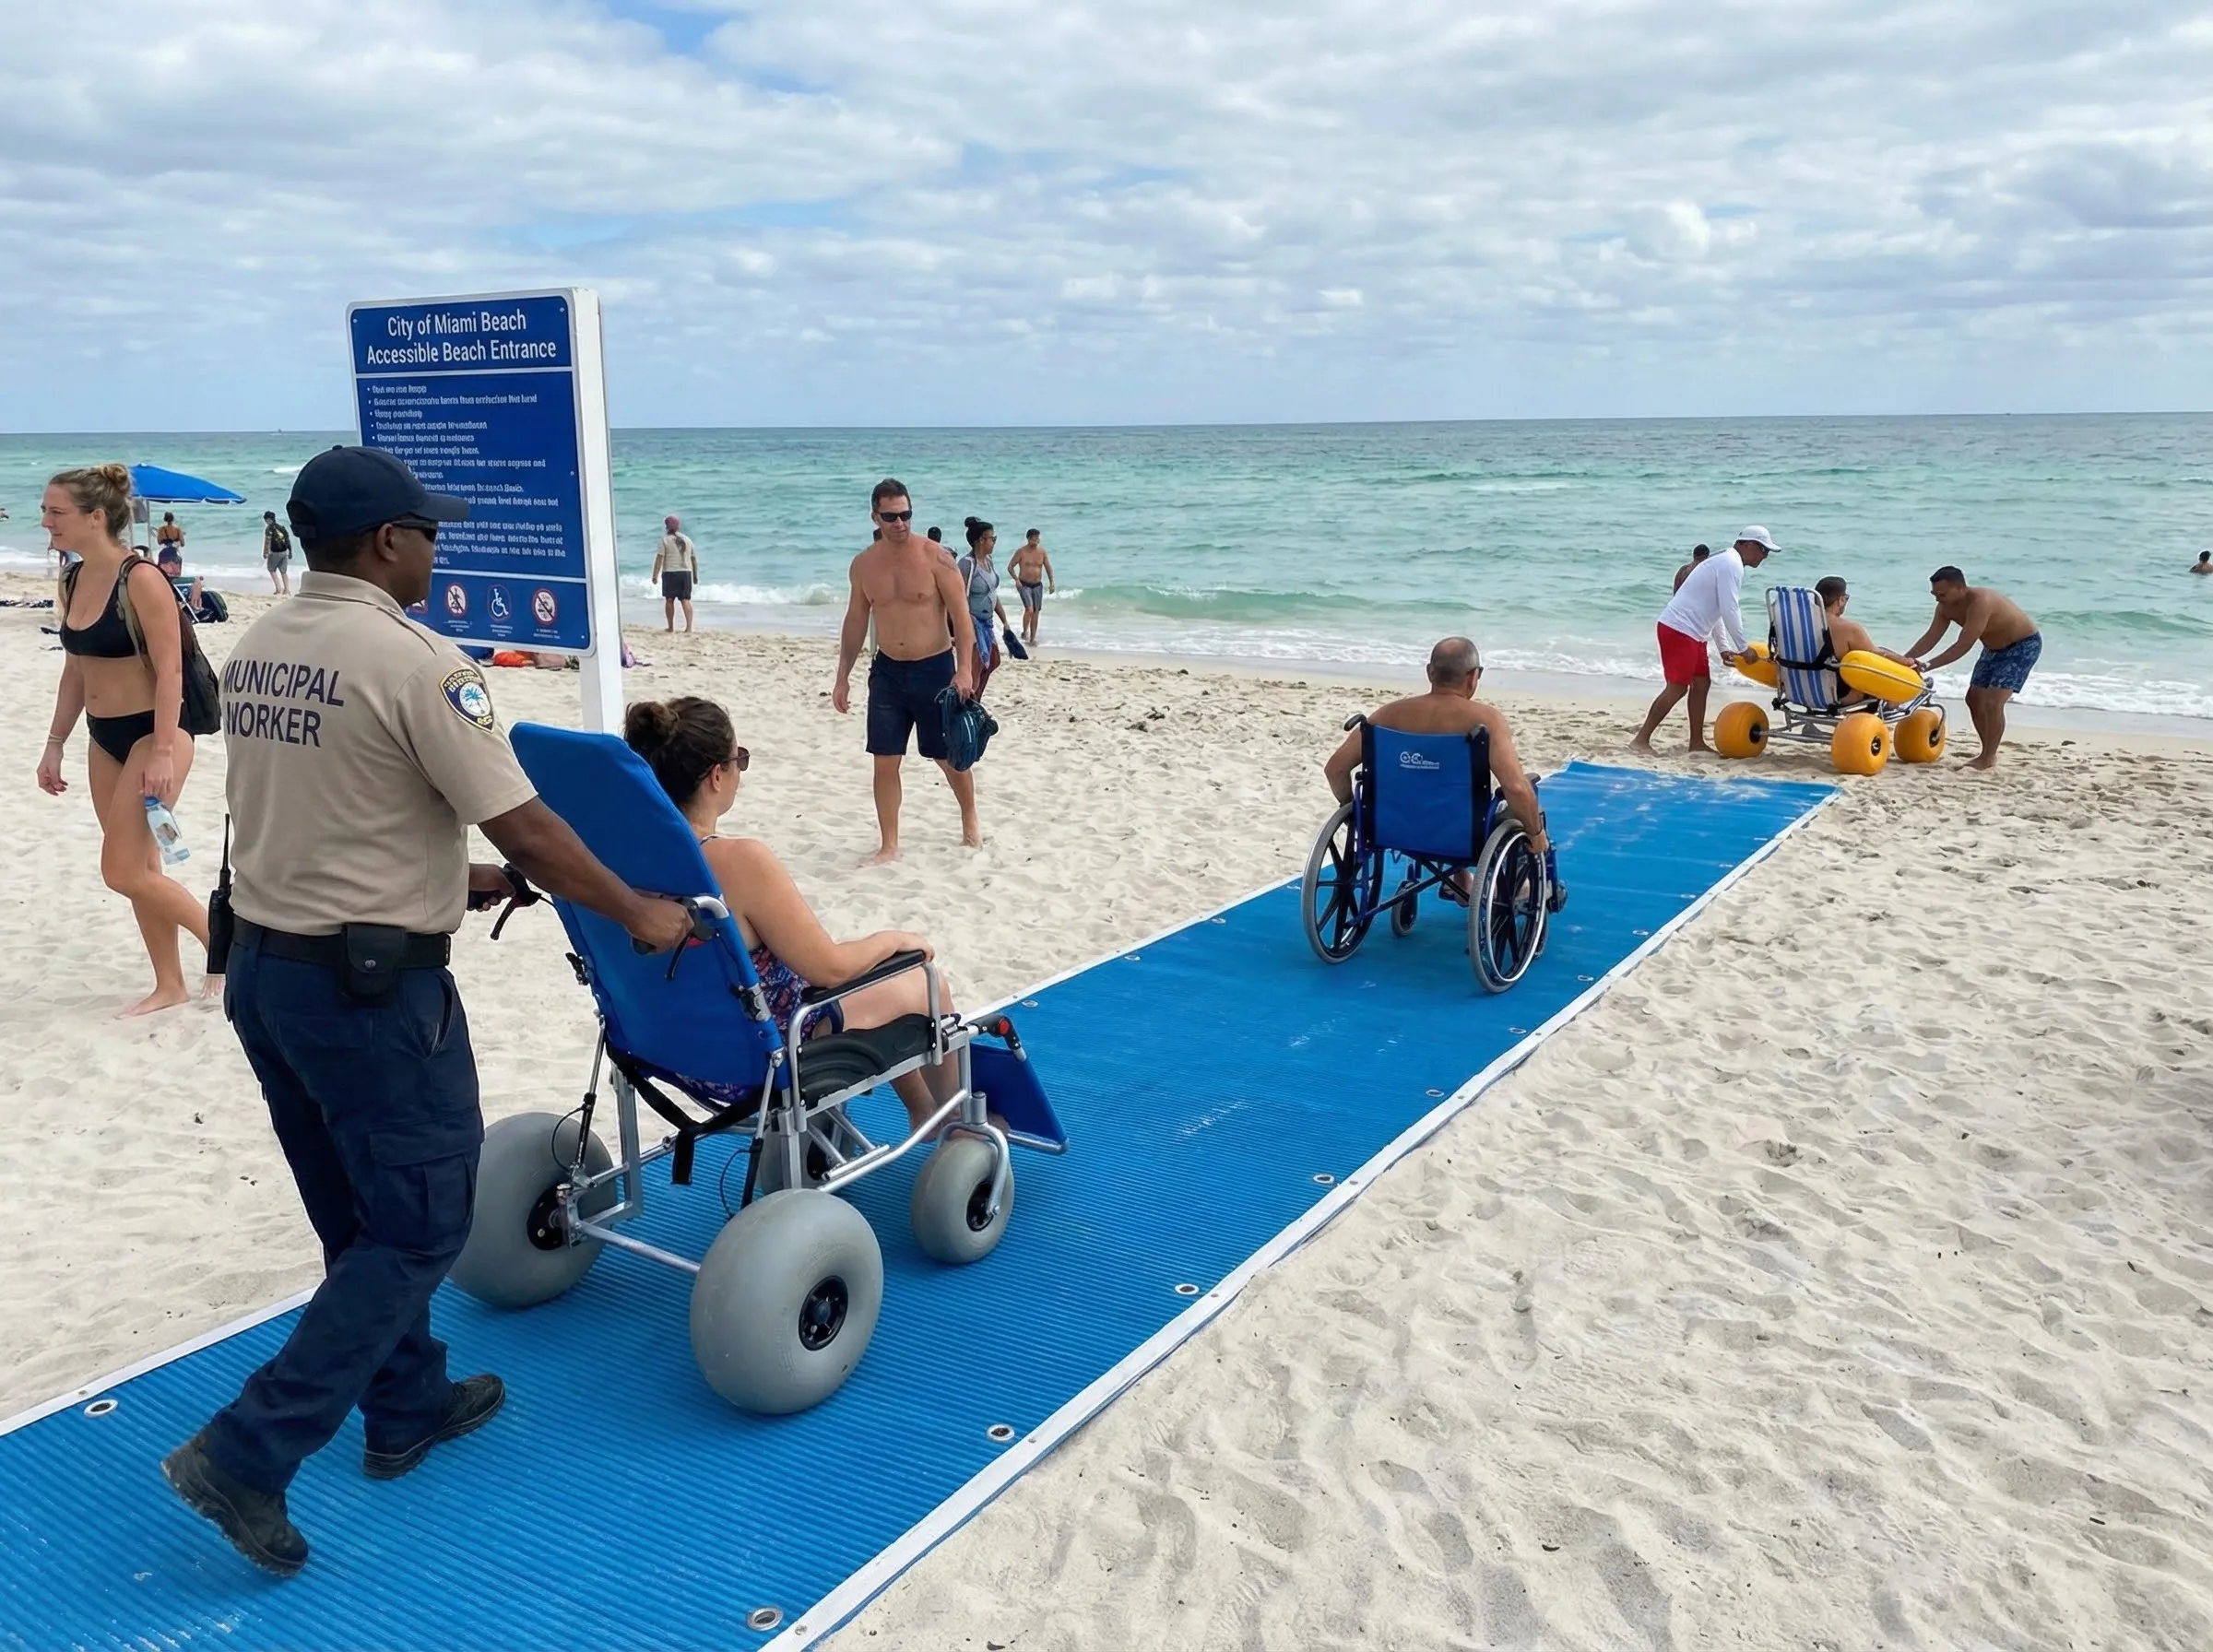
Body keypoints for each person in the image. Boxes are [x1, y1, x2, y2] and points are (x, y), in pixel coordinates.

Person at [156, 446, 692, 1580]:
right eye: (427, 533)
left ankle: (407, 1404)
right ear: (387, 542)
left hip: (263, 967)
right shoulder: (417, 661)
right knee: (416, 1227)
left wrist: (466, 886)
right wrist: (637, 910)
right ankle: (249, 1452)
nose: (438, 552)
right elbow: (527, 822)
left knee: (356, 1216)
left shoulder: (265, 643)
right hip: (372, 996)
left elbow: (324, 815)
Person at [625, 695, 962, 1132]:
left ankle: (921, 1110)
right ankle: (952, 1118)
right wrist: (895, 940)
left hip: (668, 1048)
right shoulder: (738, 861)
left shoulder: (620, 862)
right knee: (924, 979)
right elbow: (831, 969)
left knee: (869, 975)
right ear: (716, 776)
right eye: (739, 760)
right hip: (762, 1059)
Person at [36, 464, 212, 1017]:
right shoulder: (71, 578)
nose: (46, 522)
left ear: (95, 517)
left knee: (121, 870)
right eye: (45, 511)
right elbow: (76, 670)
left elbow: (170, 672)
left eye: (56, 513)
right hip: (101, 737)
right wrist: (54, 741)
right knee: (142, 870)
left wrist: (162, 750)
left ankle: (229, 944)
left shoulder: (141, 578)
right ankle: (169, 984)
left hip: (154, 734)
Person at [1321, 637, 1557, 903]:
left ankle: (1459, 880)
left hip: (1392, 826)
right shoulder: (1485, 721)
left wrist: (1355, 812)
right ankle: (1524, 887)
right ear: (1473, 677)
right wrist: (1537, 835)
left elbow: (1335, 770)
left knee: (1434, 794)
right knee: (1526, 795)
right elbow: (1515, 788)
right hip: (1464, 832)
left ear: (1430, 672)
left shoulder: (1385, 717)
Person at [832, 478, 979, 862]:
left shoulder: (937, 558)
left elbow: (962, 620)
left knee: (948, 756)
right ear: (875, 517)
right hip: (888, 673)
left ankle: (970, 820)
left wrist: (964, 671)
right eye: (891, 516)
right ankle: (890, 844)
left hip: (934, 668)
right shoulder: (864, 565)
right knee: (885, 758)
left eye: (906, 514)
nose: (900, 523)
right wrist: (842, 677)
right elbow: (855, 622)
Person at [1631, 526, 1779, 755]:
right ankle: (1641, 740)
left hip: (1694, 633)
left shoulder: (1728, 562)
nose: (1765, 556)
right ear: (1747, 544)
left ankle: (1696, 743)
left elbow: (1718, 610)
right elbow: (1731, 608)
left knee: (1701, 684)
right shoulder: (1731, 564)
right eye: (1763, 549)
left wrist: (1724, 648)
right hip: (1679, 629)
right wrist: (1743, 647)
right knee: (1678, 688)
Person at [1901, 567, 2041, 771]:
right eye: (1934, 594)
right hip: (1993, 649)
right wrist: (1906, 659)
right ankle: (1986, 751)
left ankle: (1987, 757)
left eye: (1942, 594)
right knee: (1973, 699)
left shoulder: (1980, 602)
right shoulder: (1944, 607)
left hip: (2023, 645)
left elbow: (1963, 645)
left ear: (1960, 588)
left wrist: (1928, 665)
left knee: (1993, 702)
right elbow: (1931, 637)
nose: (1938, 599)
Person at [956, 517, 1010, 698]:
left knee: (993, 660)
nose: (994, 542)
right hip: (973, 622)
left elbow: (993, 594)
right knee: (976, 666)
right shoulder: (967, 564)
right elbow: (959, 596)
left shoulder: (989, 561)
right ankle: (969, 704)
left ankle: (975, 699)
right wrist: (967, 618)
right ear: (981, 540)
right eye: (992, 538)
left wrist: (1005, 621)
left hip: (987, 622)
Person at [652, 514, 698, 632]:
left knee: (669, 600)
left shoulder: (665, 540)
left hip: (670, 573)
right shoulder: (688, 540)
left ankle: (671, 627)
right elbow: (693, 559)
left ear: (666, 527)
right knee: (685, 600)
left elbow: (659, 559)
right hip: (686, 573)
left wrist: (655, 575)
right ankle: (688, 627)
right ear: (678, 526)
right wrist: (695, 576)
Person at [1011, 528, 1055, 645]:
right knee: (1029, 609)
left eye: (1038, 538)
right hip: (1024, 584)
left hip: (1037, 585)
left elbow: (1048, 568)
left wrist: (1051, 582)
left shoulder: (1042, 552)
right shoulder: (1021, 552)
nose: (1036, 541)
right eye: (1034, 539)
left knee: (1036, 611)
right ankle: (1025, 631)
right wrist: (1016, 580)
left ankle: (1032, 638)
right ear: (1029, 539)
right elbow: (1010, 567)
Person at [262, 511, 293, 596]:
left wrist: (265, 553)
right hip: (284, 552)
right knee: (283, 572)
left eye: (266, 519)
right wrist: (290, 552)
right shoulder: (282, 527)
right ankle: (287, 590)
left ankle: (278, 589)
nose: (266, 521)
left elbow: (267, 541)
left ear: (269, 519)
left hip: (275, 553)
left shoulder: (269, 529)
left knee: (271, 569)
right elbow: (287, 540)